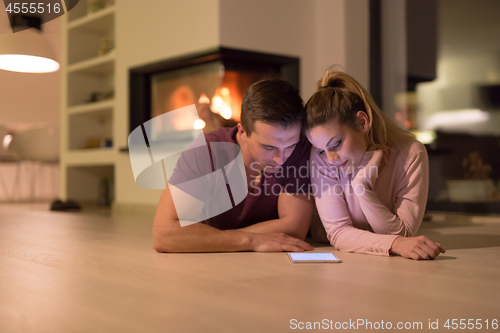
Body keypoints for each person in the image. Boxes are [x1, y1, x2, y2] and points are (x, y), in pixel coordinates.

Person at [153, 78, 314, 253]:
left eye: (290, 146)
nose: (281, 159)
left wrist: (211, 238)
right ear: (243, 131)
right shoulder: (207, 151)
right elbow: (164, 235)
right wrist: (250, 240)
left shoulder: (300, 149)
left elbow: (294, 228)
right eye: (269, 147)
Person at [305, 66, 445, 260]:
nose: (330, 159)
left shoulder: (411, 154)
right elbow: (338, 233)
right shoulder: (320, 157)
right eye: (321, 149)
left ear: (363, 122)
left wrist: (362, 187)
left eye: (336, 144)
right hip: (325, 251)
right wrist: (394, 243)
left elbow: (404, 233)